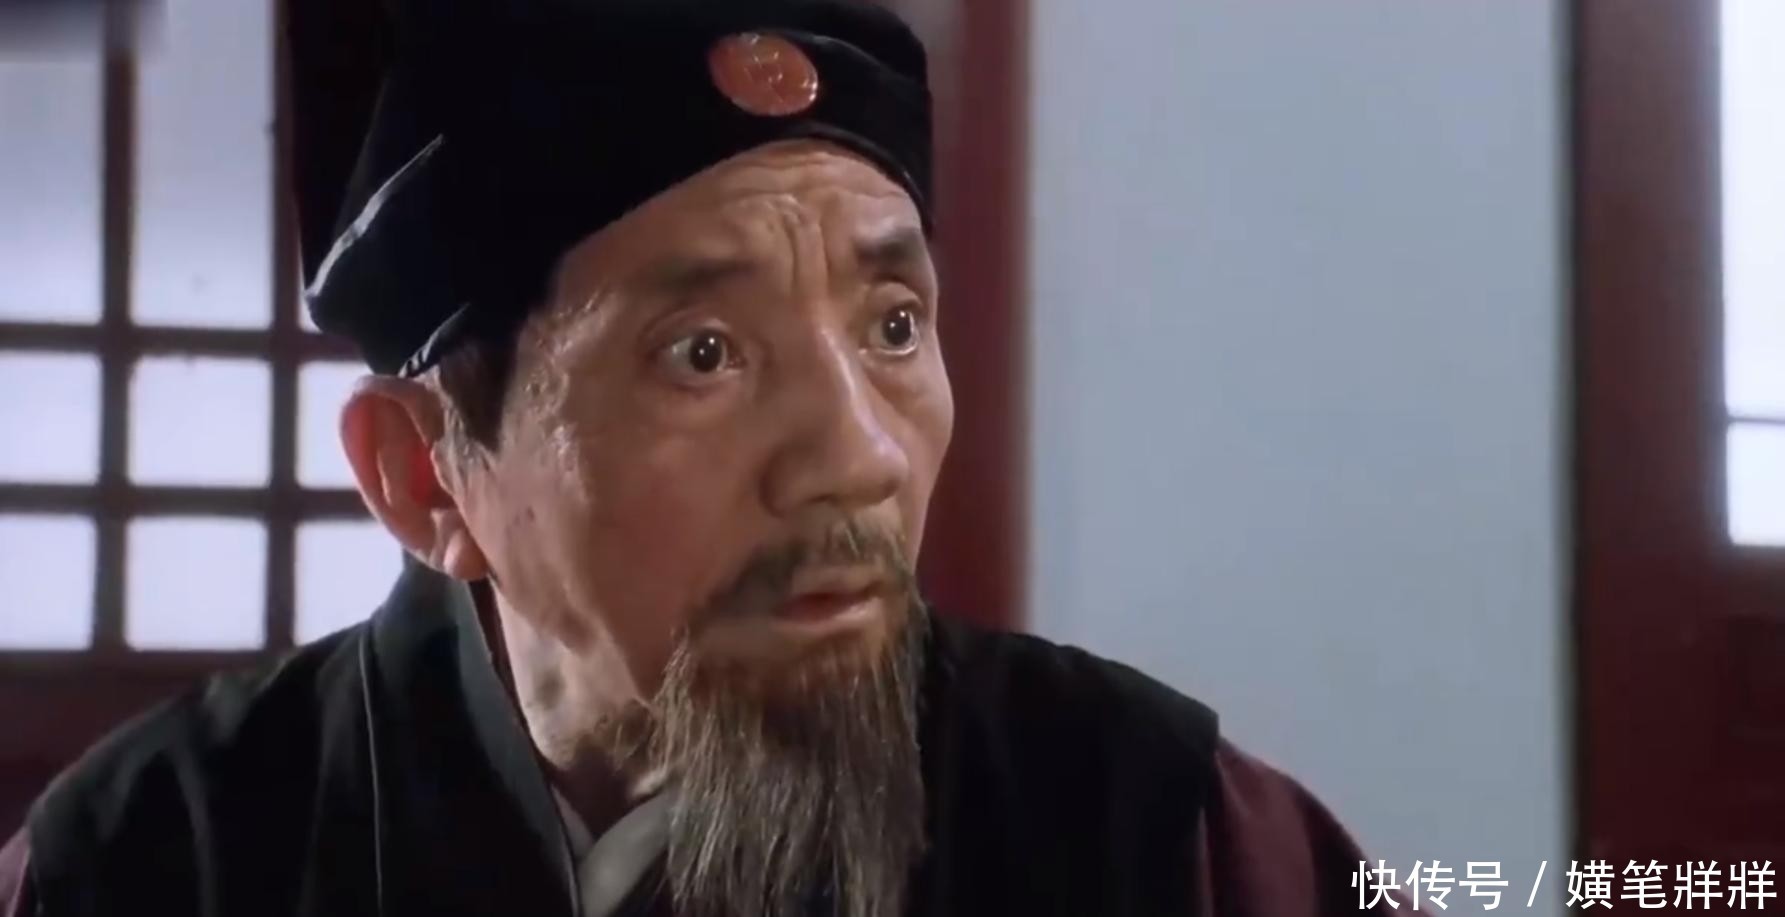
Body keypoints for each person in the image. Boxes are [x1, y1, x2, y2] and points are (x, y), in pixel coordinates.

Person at [2, 1, 1412, 914]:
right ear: (426, 476)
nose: (856, 455)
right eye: (704, 353)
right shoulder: (156, 859)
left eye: (894, 325)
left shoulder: (1163, 829)